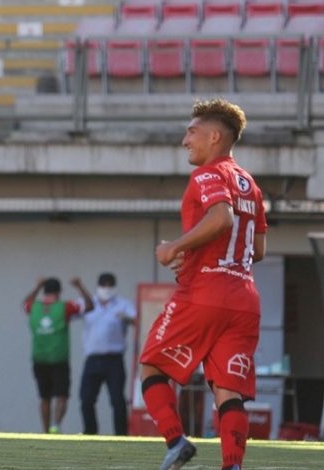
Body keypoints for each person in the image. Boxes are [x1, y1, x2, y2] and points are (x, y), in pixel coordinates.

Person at [139, 99, 266, 470]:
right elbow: (256, 249)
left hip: (204, 293)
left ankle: (176, 441)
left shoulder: (208, 174)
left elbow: (222, 218)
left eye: (191, 132)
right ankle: (232, 465)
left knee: (152, 367)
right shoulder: (252, 185)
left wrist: (175, 247)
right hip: (245, 299)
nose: (184, 140)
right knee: (228, 391)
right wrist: (196, 253)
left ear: (214, 136)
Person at [23, 277, 93, 434]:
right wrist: (80, 286)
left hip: (39, 358)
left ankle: (45, 430)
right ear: (60, 292)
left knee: (44, 397)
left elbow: (25, 304)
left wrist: (36, 286)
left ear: (44, 291)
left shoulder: (34, 307)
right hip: (59, 358)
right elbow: (89, 306)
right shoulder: (65, 307)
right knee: (62, 395)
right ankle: (56, 424)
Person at [78, 272, 136, 436]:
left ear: (114, 287)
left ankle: (121, 435)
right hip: (93, 358)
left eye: (109, 285)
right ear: (98, 286)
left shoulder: (123, 305)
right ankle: (90, 432)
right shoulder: (89, 303)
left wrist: (126, 319)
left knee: (117, 400)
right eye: (103, 285)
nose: (106, 288)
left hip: (114, 359)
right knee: (86, 399)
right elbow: (72, 312)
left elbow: (137, 319)